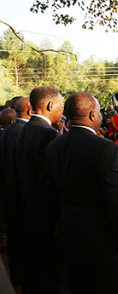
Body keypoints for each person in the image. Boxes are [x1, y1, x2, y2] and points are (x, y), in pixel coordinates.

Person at [46, 92, 118, 293]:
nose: (101, 117)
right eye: (98, 112)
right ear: (91, 116)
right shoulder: (105, 148)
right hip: (103, 239)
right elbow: (116, 197)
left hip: (70, 233)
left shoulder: (54, 145)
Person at [16, 86, 63, 293]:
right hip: (46, 218)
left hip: (24, 211)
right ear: (51, 105)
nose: (62, 112)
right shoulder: (49, 135)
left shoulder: (21, 130)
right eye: (61, 106)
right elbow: (53, 182)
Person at [0, 97, 31, 288]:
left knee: (14, 240)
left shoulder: (5, 132)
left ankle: (17, 276)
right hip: (25, 196)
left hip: (8, 194)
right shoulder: (28, 132)